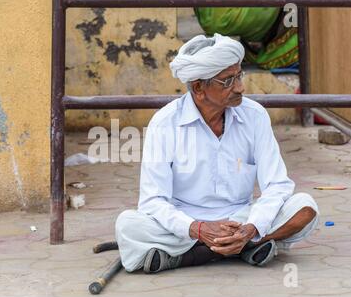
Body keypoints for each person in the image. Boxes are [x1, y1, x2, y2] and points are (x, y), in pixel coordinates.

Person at [115, 34, 319, 274]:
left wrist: (251, 228)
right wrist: (199, 228)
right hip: (186, 223)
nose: (240, 87)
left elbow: (277, 185)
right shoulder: (165, 123)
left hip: (241, 218)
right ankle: (242, 249)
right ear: (199, 87)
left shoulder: (255, 116)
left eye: (239, 76)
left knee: (305, 207)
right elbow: (152, 201)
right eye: (228, 81)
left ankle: (204, 253)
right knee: (128, 225)